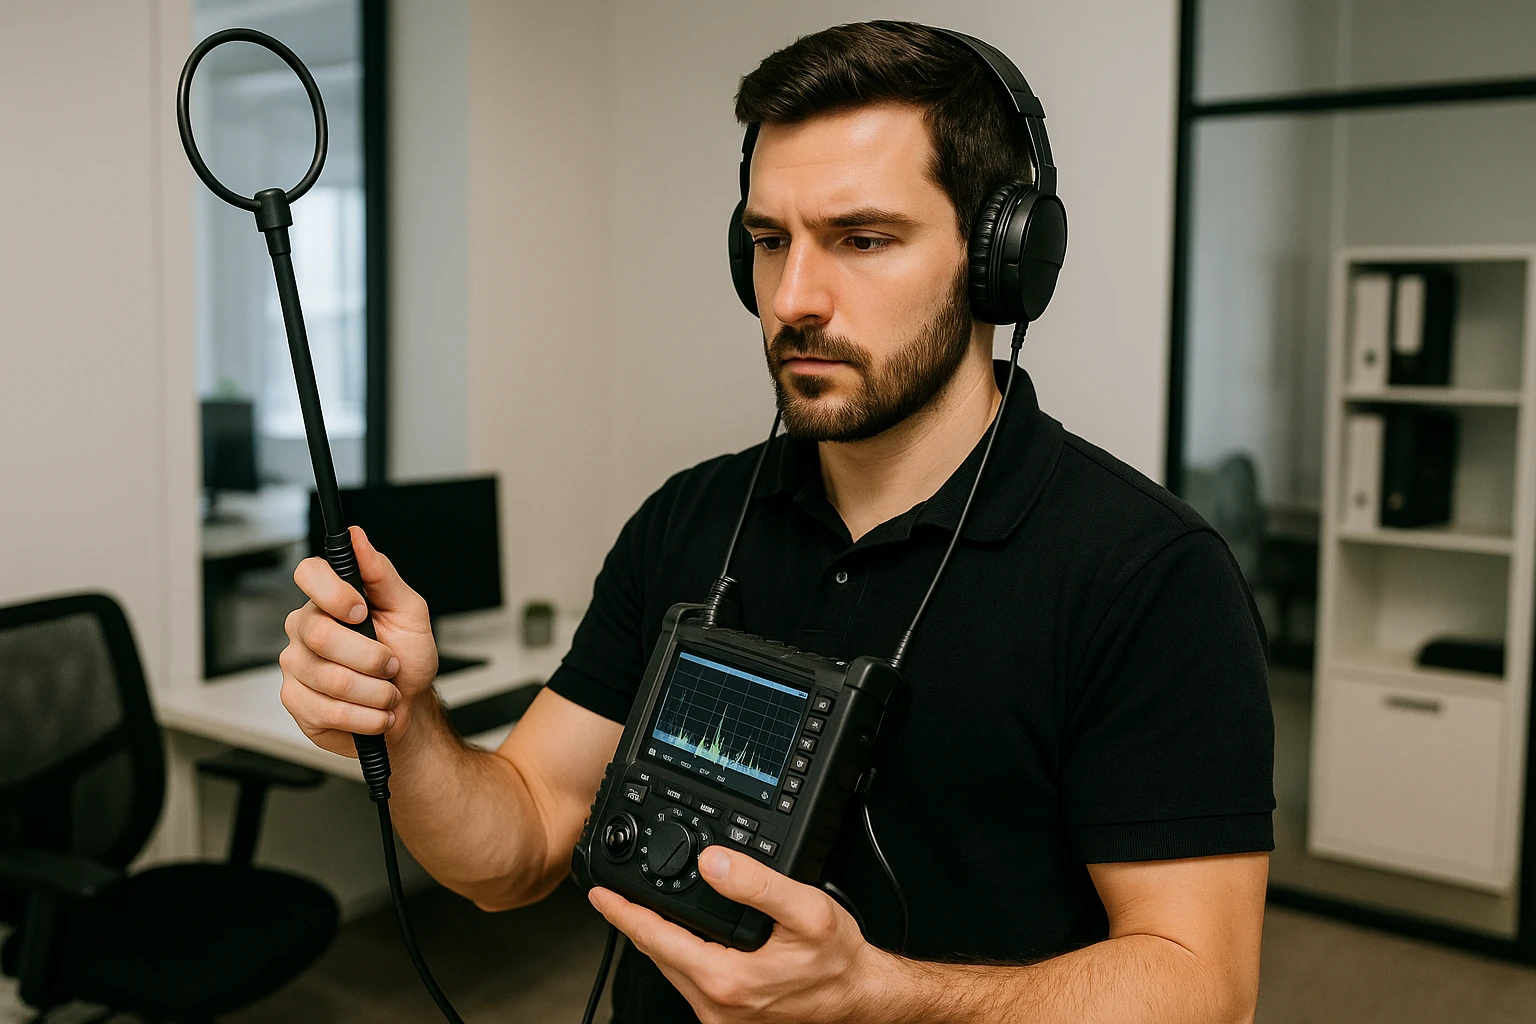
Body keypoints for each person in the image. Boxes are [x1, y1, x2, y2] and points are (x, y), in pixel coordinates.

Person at [278, 21, 1274, 1024]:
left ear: (997, 258)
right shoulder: (690, 517)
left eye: (863, 239)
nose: (793, 298)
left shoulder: (1148, 574)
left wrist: (882, 995)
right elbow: (523, 842)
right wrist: (404, 728)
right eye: (768, 242)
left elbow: (1203, 987)